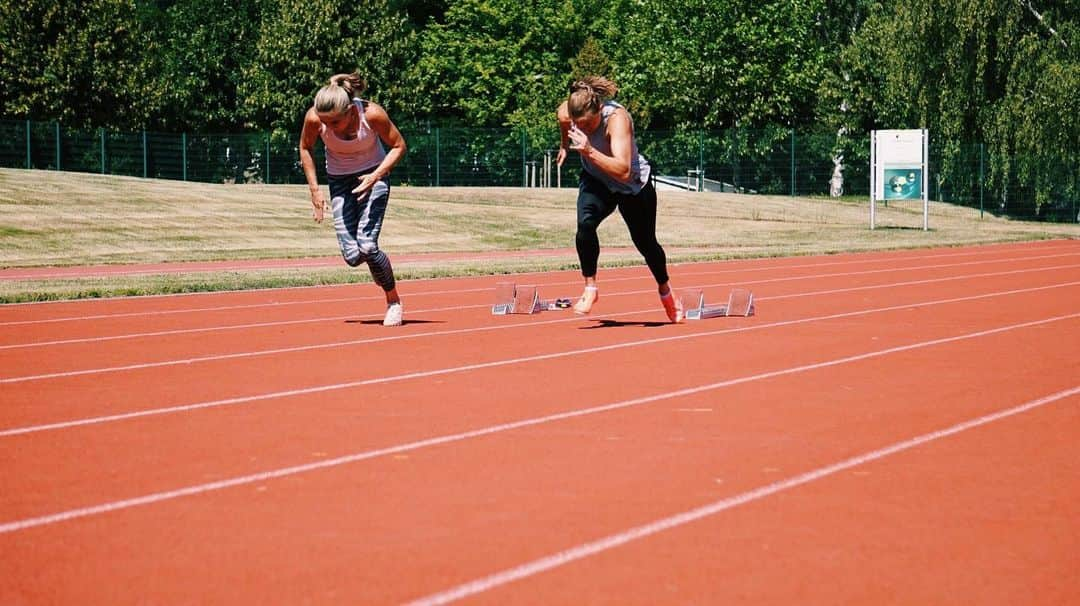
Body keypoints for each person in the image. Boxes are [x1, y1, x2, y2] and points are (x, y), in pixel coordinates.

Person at [556, 76, 682, 323]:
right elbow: (562, 119)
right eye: (578, 126)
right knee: (585, 224)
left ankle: (665, 290)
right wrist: (563, 146)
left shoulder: (617, 120)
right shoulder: (568, 112)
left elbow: (623, 170)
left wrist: (589, 150)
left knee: (646, 243)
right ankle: (590, 287)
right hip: (598, 180)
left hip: (631, 185)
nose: (583, 130)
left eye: (588, 125)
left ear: (599, 111)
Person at [299, 72, 407, 326]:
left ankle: (393, 301)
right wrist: (315, 190)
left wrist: (376, 175)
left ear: (349, 110)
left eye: (335, 122)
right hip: (340, 182)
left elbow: (399, 145)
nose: (329, 128)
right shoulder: (315, 118)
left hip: (374, 175)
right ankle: (376, 264)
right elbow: (306, 147)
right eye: (325, 122)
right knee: (352, 256)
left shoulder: (372, 115)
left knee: (367, 245)